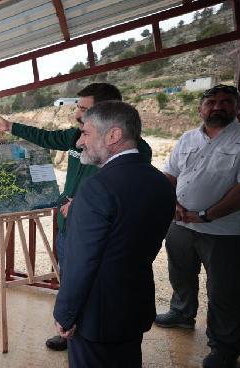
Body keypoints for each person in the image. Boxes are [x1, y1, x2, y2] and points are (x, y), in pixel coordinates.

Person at [0, 83, 152, 351]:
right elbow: (46, 138)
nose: (77, 114)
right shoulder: (78, 136)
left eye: (84, 109)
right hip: (67, 226)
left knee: (95, 282)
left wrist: (82, 203)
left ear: (106, 112)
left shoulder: (136, 151)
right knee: (70, 277)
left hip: (98, 232)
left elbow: (126, 188)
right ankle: (68, 327)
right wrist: (11, 127)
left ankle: (87, 332)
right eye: (78, 108)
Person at [53, 101, 176, 367]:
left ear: (113, 135)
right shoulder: (160, 182)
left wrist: (65, 314)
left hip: (96, 316)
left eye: (86, 133)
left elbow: (81, 261)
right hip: (134, 305)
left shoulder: (96, 187)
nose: (79, 142)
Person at [154, 84, 240, 368]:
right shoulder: (188, 138)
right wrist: (173, 203)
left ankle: (224, 346)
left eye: (226, 102)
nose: (218, 107)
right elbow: (170, 174)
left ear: (237, 107)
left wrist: (206, 215)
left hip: (224, 231)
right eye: (211, 102)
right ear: (200, 109)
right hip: (181, 225)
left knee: (224, 290)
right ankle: (182, 314)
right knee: (180, 274)